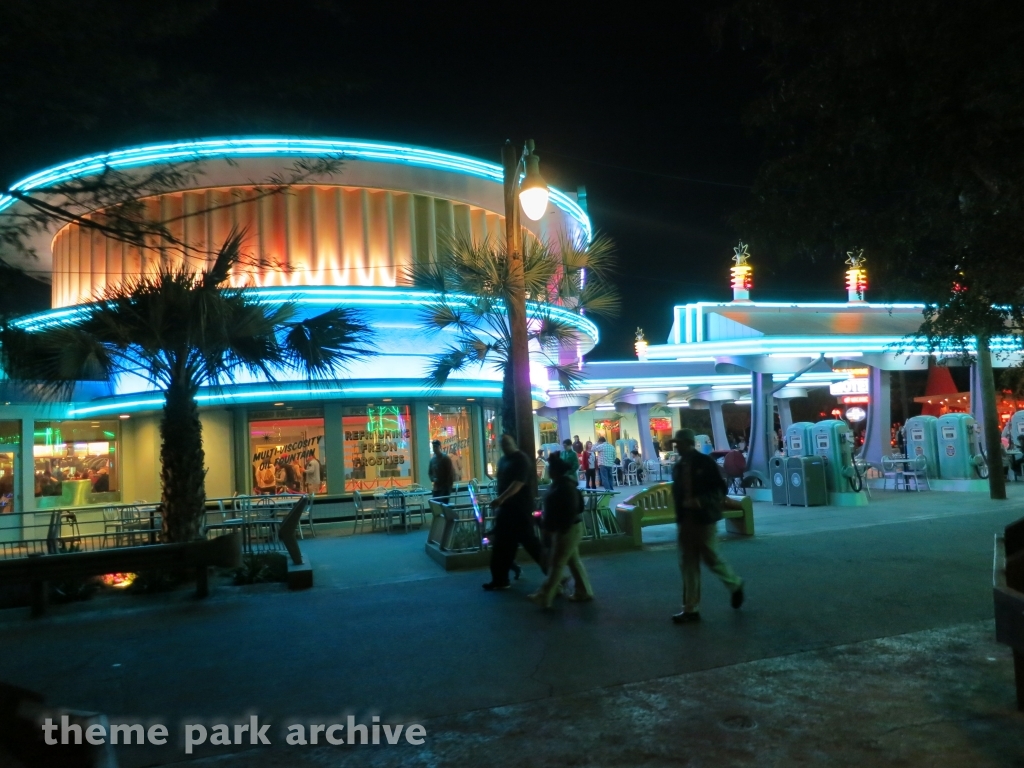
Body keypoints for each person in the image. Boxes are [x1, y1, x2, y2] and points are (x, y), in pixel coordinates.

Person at [671, 428, 745, 623]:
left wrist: (701, 501)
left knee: (711, 557)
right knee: (688, 563)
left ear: (688, 443)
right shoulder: (678, 466)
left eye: (679, 443)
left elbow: (719, 489)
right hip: (686, 519)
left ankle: (735, 583)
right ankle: (690, 609)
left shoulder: (705, 463)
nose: (676, 447)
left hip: (704, 517)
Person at [483, 434, 547, 591]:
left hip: (520, 510)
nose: (504, 445)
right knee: (503, 546)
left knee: (530, 544)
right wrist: (501, 501)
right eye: (502, 443)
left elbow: (518, 483)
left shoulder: (521, 460)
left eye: (506, 442)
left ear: (513, 442)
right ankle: (500, 579)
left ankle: (556, 576)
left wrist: (500, 499)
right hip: (507, 510)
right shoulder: (504, 460)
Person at [529, 455, 593, 608]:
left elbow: (556, 513)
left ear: (554, 471)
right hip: (572, 528)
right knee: (573, 561)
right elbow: (579, 508)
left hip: (565, 530)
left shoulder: (559, 488)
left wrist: (545, 525)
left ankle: (545, 595)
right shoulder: (568, 486)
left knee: (557, 564)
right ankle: (584, 591)